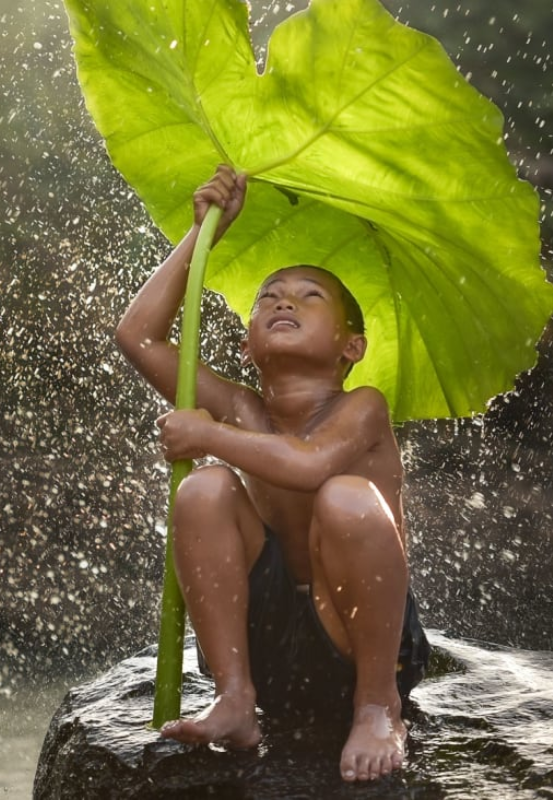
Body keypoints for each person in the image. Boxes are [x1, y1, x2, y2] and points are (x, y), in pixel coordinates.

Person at [115, 165, 430, 783]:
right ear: (247, 345)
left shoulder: (362, 406)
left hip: (359, 647)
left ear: (352, 346)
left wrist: (207, 433)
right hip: (272, 644)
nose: (284, 299)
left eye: (310, 296)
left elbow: (307, 465)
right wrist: (205, 229)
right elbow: (137, 335)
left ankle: (376, 708)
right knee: (205, 486)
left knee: (344, 497)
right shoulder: (241, 408)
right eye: (269, 296)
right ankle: (235, 698)